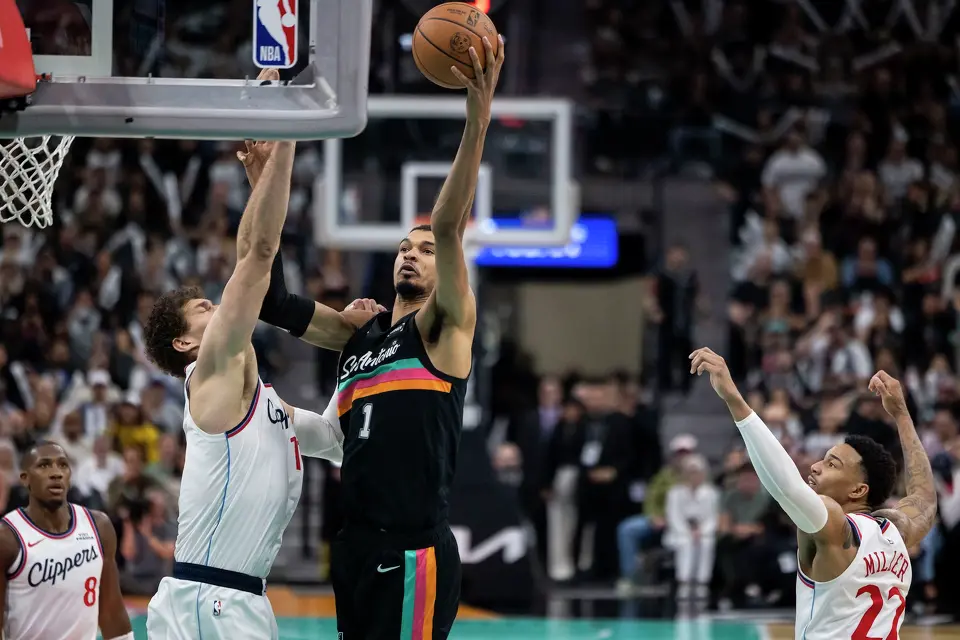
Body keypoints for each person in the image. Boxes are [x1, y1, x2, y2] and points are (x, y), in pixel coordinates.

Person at [253, 36, 505, 639]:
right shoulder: (359, 334)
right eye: (403, 249)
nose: (412, 256)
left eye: (423, 251)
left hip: (416, 550)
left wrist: (478, 118)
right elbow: (272, 301)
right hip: (355, 545)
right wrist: (264, 180)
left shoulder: (444, 327)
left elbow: (447, 226)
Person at [141, 71, 375, 640]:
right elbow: (259, 255)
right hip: (208, 599)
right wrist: (289, 124)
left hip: (238, 601)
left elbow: (335, 438)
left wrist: (369, 356)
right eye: (203, 308)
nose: (218, 308)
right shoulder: (212, 370)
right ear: (184, 343)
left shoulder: (265, 405)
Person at [690, 347, 936, 639]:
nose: (817, 466)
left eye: (832, 464)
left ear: (858, 490)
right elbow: (925, 500)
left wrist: (734, 399)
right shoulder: (896, 531)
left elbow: (787, 487)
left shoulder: (835, 525)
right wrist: (902, 415)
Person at [0, 441, 132, 640]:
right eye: (44, 465)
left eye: (63, 465)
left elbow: (112, 612)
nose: (56, 473)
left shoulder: (99, 526)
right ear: (25, 479)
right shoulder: (7, 536)